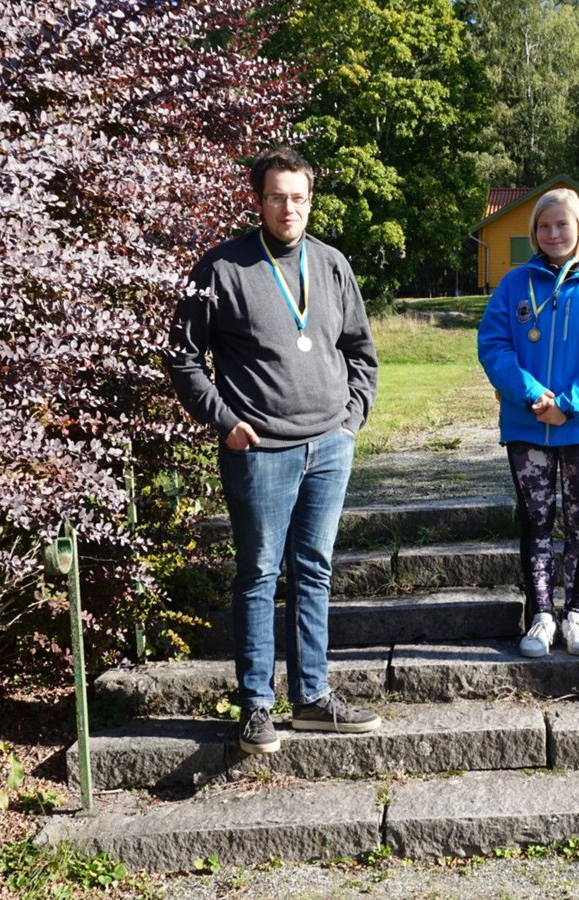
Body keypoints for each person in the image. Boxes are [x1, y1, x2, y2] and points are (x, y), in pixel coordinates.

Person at [167, 146, 381, 754]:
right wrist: (225, 422)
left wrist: (351, 421)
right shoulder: (220, 268)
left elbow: (361, 351)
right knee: (259, 574)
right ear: (257, 200)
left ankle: (312, 698)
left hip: (329, 447)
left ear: (311, 200)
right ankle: (256, 707)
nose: (289, 208)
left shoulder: (332, 264)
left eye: (299, 197)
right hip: (259, 451)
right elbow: (183, 356)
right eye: (277, 197)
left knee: (314, 570)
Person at [477, 188, 579, 659]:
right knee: (535, 521)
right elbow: (494, 346)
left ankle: (576, 614)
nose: (553, 233)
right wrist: (532, 395)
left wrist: (569, 403)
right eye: (544, 226)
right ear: (534, 232)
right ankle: (542, 617)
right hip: (527, 424)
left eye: (562, 224)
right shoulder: (514, 284)